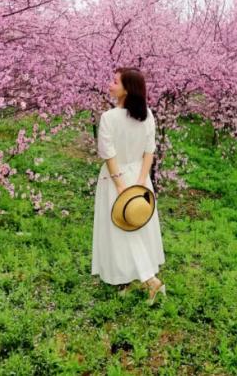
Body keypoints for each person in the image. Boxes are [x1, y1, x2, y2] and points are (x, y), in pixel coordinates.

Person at [91, 67, 167, 304]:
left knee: (119, 230)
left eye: (115, 82)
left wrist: (121, 186)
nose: (110, 85)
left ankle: (144, 279)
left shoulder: (108, 118)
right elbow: (149, 151)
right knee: (136, 227)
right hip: (139, 178)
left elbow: (109, 155)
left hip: (116, 179)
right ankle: (129, 279)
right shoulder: (148, 115)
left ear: (127, 89)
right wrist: (142, 181)